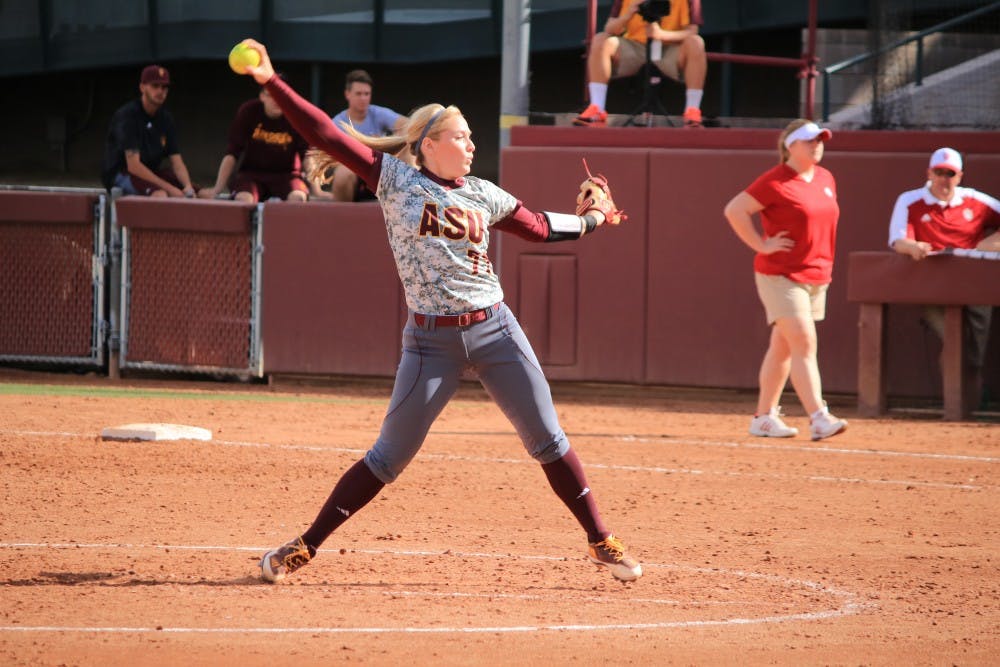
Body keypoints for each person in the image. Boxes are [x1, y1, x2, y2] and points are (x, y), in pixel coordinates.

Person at [232, 39, 642, 584]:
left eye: (472, 136)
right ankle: (305, 545)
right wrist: (270, 79)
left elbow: (542, 228)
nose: (471, 144)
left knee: (548, 438)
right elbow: (326, 134)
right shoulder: (396, 180)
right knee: (387, 458)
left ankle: (600, 540)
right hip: (430, 344)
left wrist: (591, 220)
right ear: (427, 143)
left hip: (495, 329)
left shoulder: (482, 193)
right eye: (461, 135)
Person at [723, 119, 849, 441]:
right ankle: (819, 417)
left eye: (820, 140)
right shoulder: (775, 181)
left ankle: (763, 418)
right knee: (804, 341)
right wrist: (761, 244)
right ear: (790, 145)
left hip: (817, 275)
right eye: (809, 141)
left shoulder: (826, 178)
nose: (817, 145)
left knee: (784, 348)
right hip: (780, 274)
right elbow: (735, 210)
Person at [887, 147, 1000, 409]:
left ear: (959, 176)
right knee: (954, 338)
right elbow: (898, 239)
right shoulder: (910, 200)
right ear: (929, 173)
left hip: (974, 285)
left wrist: (990, 243)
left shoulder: (975, 201)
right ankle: (958, 397)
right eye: (939, 173)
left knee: (975, 340)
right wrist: (913, 247)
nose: (944, 179)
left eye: (950, 174)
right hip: (934, 286)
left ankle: (972, 387)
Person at [574, 0, 707, 128]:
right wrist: (628, 14)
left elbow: (693, 30)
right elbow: (609, 28)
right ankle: (597, 107)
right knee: (600, 39)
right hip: (633, 46)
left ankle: (692, 110)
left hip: (669, 48)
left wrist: (661, 35)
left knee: (696, 42)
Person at [198, 77, 316, 203]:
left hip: (287, 176)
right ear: (262, 96)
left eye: (280, 95)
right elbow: (232, 153)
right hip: (251, 175)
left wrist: (317, 190)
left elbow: (308, 156)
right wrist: (217, 188)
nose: (276, 100)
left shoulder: (296, 115)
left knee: (298, 197)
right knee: (244, 199)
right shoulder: (248, 111)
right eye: (270, 95)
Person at [100, 65, 197, 197]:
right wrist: (170, 189)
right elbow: (133, 166)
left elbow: (177, 161)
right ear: (142, 87)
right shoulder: (128, 115)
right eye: (155, 86)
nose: (160, 91)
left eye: (164, 87)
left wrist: (188, 187)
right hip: (120, 173)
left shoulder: (166, 118)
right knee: (160, 194)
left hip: (151, 172)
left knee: (201, 193)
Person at [326, 69, 406, 202]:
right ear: (347, 94)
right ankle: (340, 218)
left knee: (406, 148)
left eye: (366, 94)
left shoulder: (378, 113)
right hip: (352, 172)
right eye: (358, 94)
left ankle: (408, 209)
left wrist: (386, 143)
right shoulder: (338, 122)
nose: (363, 98)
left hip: (380, 170)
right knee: (343, 173)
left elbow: (408, 126)